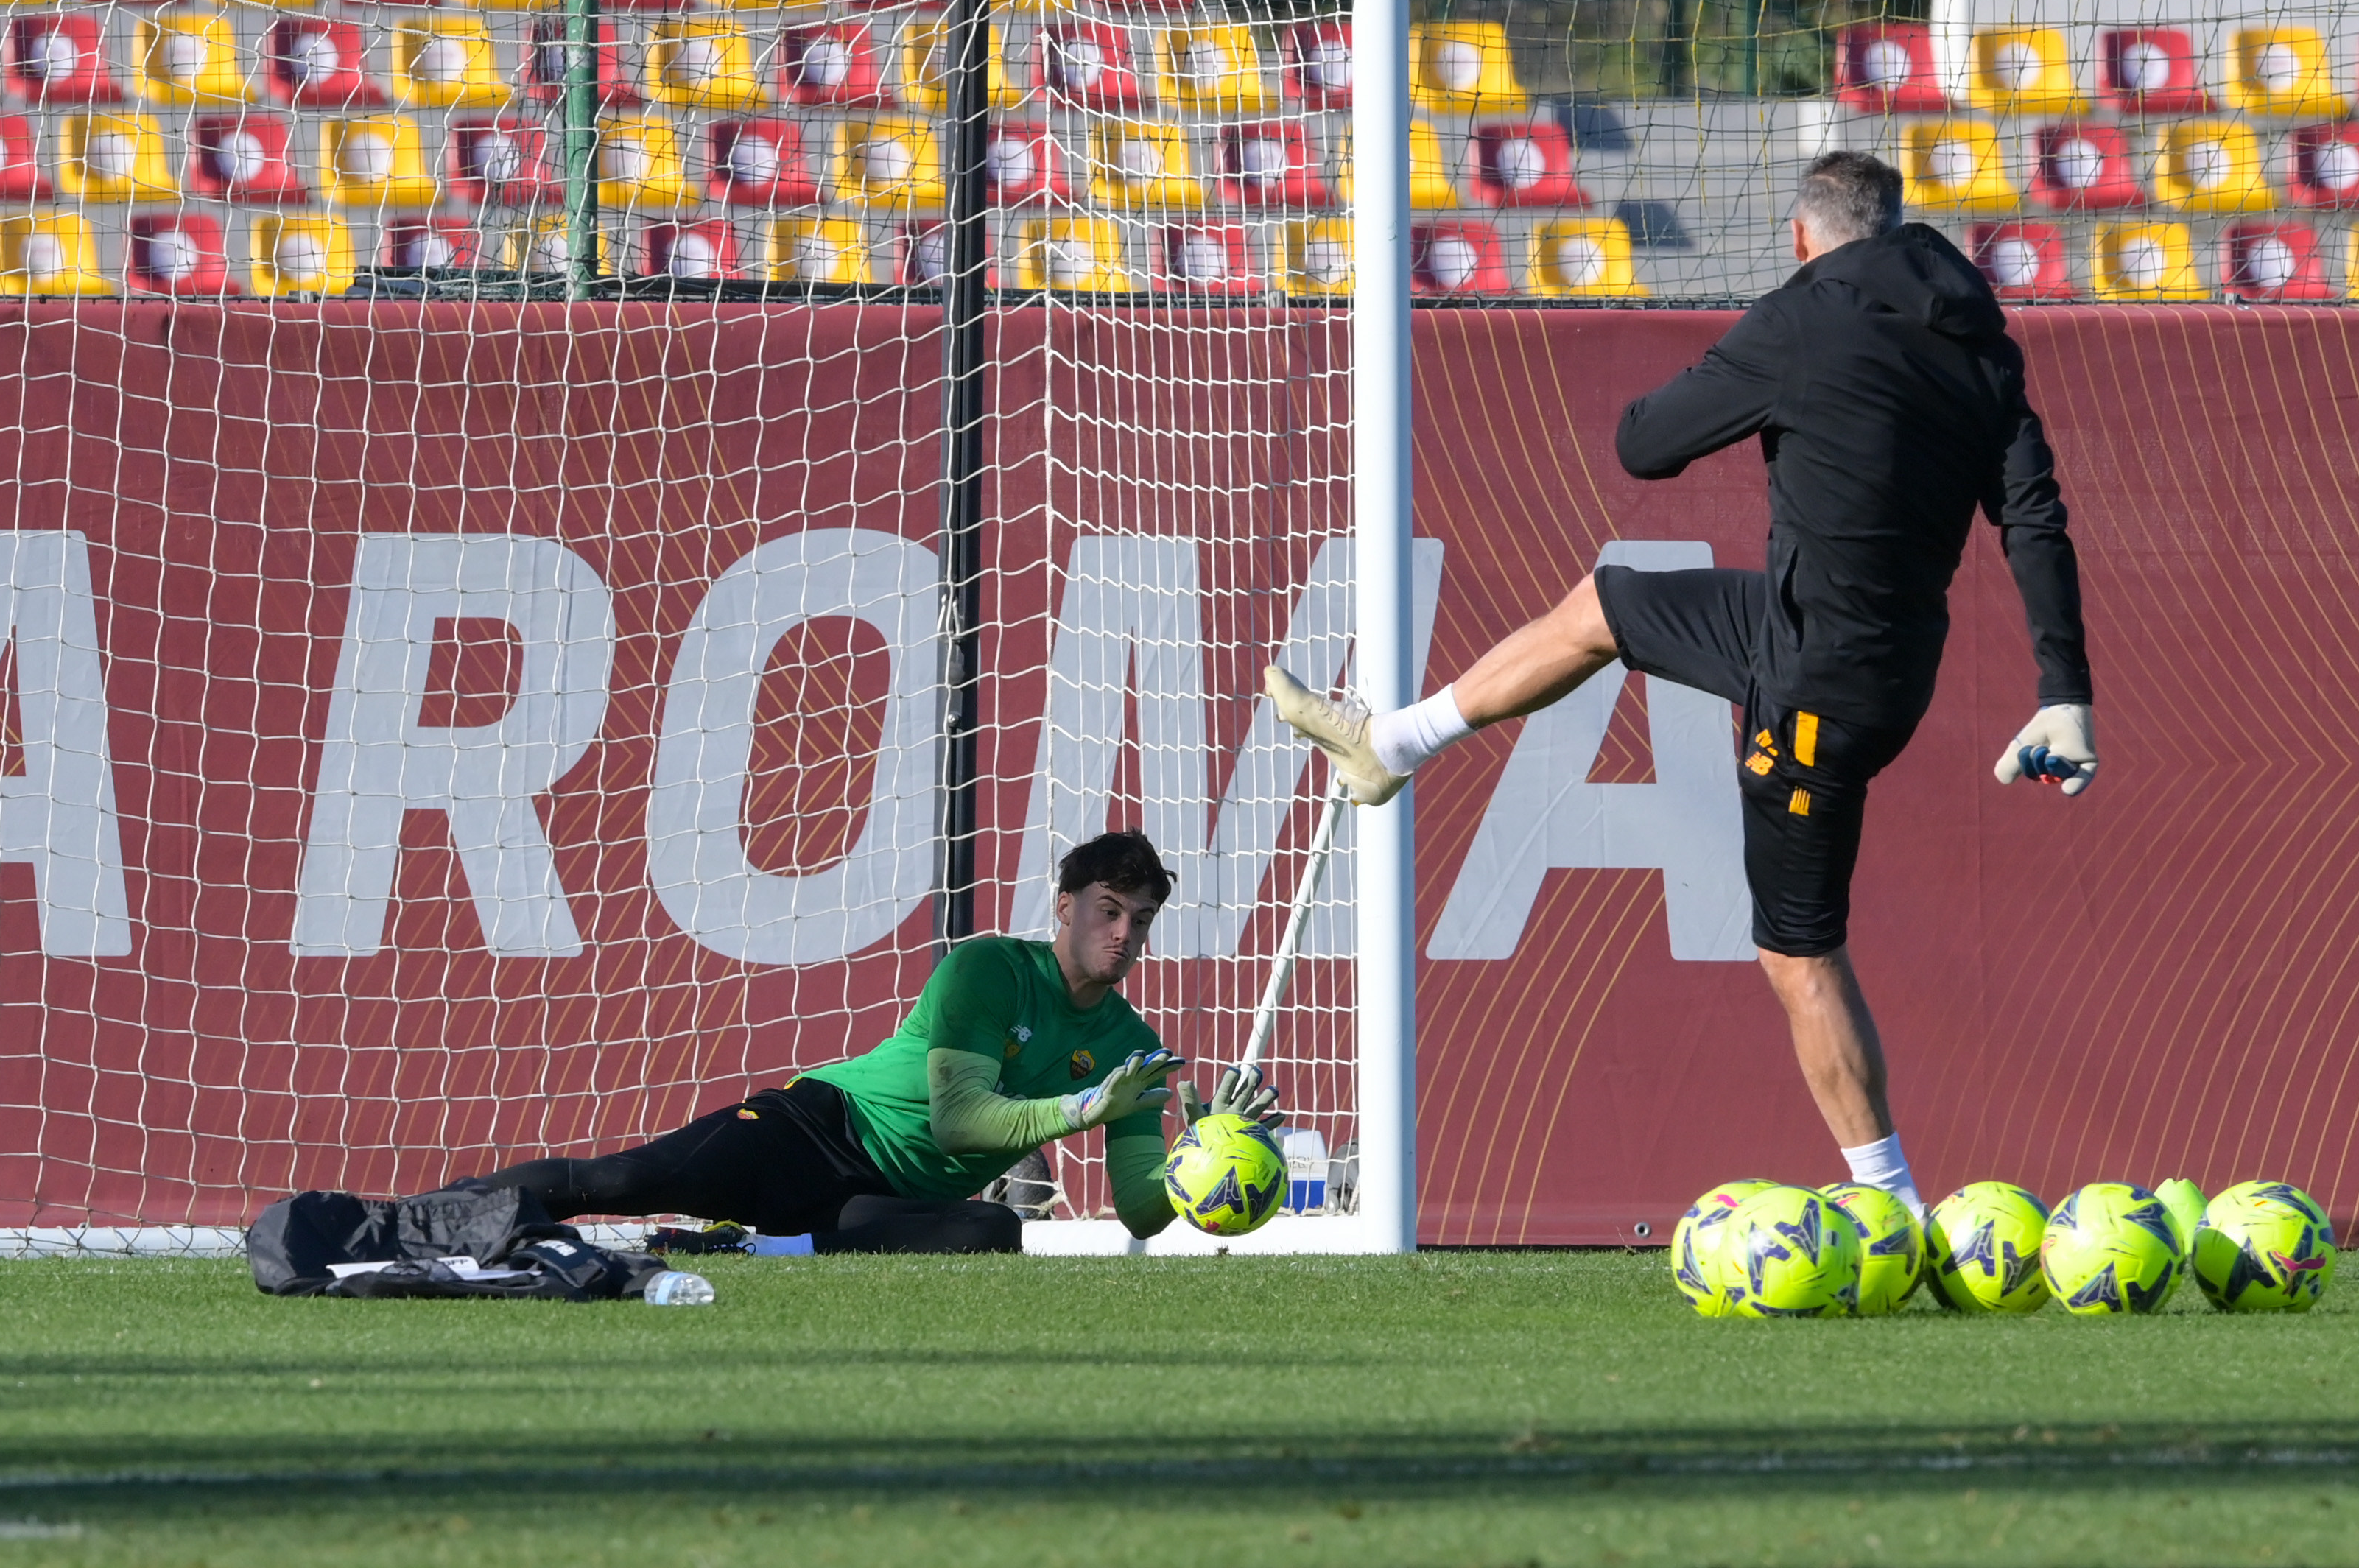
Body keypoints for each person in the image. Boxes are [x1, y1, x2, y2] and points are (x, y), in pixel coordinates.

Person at [1268, 150, 2095, 1223]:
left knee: (1796, 955)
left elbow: (1645, 444)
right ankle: (1392, 746)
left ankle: (1894, 1209)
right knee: (1608, 605)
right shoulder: (1981, 344)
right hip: (1864, 650)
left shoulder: (1804, 322)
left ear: (1803, 239)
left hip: (1816, 685)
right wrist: (2062, 689)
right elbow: (2033, 516)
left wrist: (1758, 355)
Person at [471, 829, 1279, 1252]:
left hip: (881, 1204)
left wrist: (1201, 1150)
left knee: (992, 1232)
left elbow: (1139, 1214)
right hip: (816, 1132)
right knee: (615, 1180)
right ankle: (424, 1223)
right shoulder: (988, 969)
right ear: (1064, 906)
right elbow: (958, 1121)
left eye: (1140, 919)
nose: (1123, 932)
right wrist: (1078, 1107)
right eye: (1108, 908)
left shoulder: (1131, 1046)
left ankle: (746, 1253)